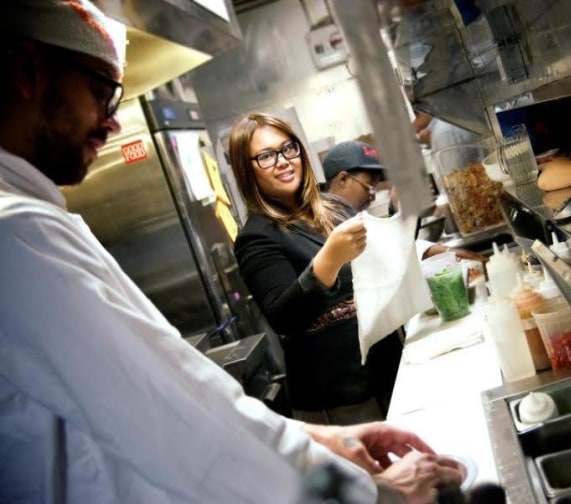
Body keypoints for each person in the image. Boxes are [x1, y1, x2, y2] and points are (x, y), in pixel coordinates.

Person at [0, 1, 463, 502]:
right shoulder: (19, 234)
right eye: (101, 92)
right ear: (28, 72)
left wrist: (322, 441)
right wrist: (373, 494)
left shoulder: (29, 221)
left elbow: (190, 407)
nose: (111, 125)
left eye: (289, 149)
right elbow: (183, 420)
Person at [229, 115, 410, 426]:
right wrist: (329, 260)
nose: (283, 162)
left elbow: (380, 259)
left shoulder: (333, 207)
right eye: (266, 156)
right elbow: (283, 317)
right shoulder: (257, 237)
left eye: (288, 149)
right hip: (340, 400)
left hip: (389, 367)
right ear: (247, 171)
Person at [321, 140, 487, 263]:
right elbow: (384, 257)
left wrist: (396, 205)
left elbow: (389, 247)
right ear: (343, 179)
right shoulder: (326, 222)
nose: (373, 195)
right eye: (370, 184)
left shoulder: (351, 217)